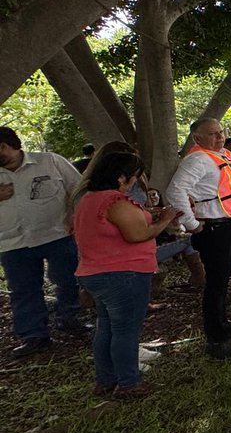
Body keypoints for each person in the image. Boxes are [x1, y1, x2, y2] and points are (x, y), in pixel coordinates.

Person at [74, 152, 182, 398]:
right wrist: (165, 219)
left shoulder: (88, 200)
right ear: (121, 177)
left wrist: (152, 215)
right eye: (134, 177)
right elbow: (138, 235)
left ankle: (105, 380)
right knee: (125, 331)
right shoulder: (115, 201)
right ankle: (129, 383)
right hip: (123, 274)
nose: (135, 182)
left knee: (107, 328)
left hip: (96, 272)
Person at [165, 117, 231, 360]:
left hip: (229, 225)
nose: (220, 136)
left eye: (221, 131)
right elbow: (175, 191)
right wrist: (192, 224)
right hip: (213, 229)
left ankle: (222, 322)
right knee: (215, 284)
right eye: (213, 134)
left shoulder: (222, 155)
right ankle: (216, 338)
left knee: (223, 280)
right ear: (198, 139)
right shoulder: (197, 160)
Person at [0, 126, 84, 357]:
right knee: (23, 290)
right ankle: (33, 335)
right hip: (12, 241)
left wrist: (75, 216)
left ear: (9, 145)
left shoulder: (49, 162)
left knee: (68, 280)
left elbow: (78, 188)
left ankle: (70, 319)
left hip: (56, 233)